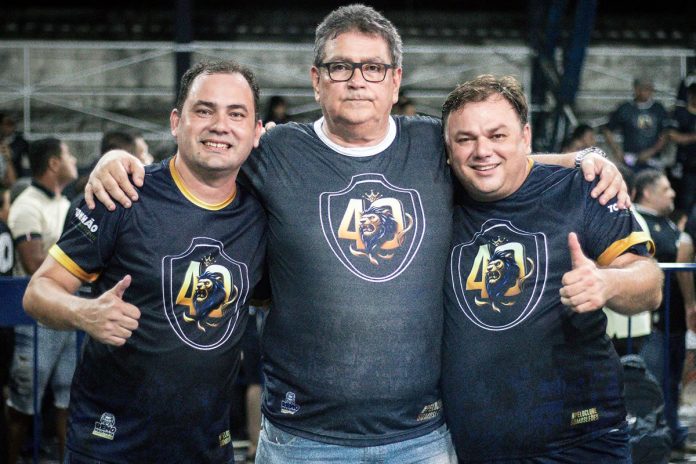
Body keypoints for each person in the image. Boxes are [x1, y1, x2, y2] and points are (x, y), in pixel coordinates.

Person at [83, 5, 629, 463]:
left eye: (373, 68)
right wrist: (116, 160)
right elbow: (202, 157)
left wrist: (582, 158)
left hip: (419, 437)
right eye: (340, 66)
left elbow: (494, 155)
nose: (356, 80)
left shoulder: (430, 145)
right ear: (316, 78)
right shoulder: (275, 150)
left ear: (395, 81)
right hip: (301, 440)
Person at [21, 60, 267, 463]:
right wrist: (83, 312)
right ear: (176, 122)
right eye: (204, 110)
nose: (220, 125)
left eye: (236, 113)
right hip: (110, 446)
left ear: (257, 132)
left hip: (206, 450)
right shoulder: (122, 193)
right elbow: (38, 291)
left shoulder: (261, 211)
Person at [440, 74, 662, 461]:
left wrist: (605, 284)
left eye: (497, 136)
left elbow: (651, 281)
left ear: (525, 137)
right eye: (466, 139)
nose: (482, 151)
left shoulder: (582, 189)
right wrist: (576, 154)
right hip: (471, 445)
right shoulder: (436, 194)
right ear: (448, 147)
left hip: (579, 442)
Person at [6, 137, 78, 464]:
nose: (74, 159)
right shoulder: (27, 206)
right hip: (36, 323)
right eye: (68, 155)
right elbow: (36, 266)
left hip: (69, 317)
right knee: (24, 406)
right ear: (53, 164)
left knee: (68, 402)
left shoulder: (66, 205)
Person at [634, 169, 696, 450]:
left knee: (671, 382)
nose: (673, 193)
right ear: (647, 192)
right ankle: (651, 440)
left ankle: (673, 434)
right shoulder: (636, 222)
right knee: (653, 384)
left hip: (676, 320)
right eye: (666, 188)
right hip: (652, 321)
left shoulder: (669, 226)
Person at [601, 76, 671, 171]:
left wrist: (653, 150)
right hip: (630, 158)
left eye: (648, 89)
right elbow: (607, 130)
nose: (645, 92)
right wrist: (616, 150)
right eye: (642, 88)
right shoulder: (625, 108)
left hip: (653, 159)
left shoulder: (658, 109)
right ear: (635, 89)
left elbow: (666, 133)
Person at [668, 83, 696, 214]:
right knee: (685, 203)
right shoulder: (680, 113)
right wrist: (692, 137)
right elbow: (673, 136)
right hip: (686, 167)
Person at [0, 113, 30, 180]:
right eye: (7, 124)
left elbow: (27, 163)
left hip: (14, 177)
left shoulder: (21, 143)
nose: (9, 127)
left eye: (11, 124)